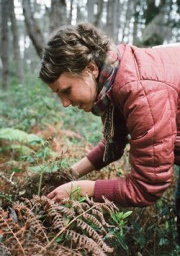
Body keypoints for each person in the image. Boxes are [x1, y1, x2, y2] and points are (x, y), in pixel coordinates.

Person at [39, 23, 180, 215]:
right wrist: (68, 175)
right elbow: (113, 143)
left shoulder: (140, 91)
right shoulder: (114, 75)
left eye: (66, 91)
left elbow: (146, 186)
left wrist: (82, 189)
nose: (64, 103)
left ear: (91, 68)